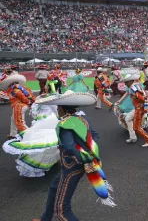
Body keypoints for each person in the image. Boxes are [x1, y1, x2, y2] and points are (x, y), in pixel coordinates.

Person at [32, 91, 115, 221]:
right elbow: (95, 136)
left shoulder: (65, 124)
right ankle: (45, 219)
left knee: (61, 210)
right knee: (54, 187)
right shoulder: (83, 119)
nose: (57, 111)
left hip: (71, 167)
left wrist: (82, 157)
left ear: (63, 109)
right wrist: (88, 153)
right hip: (80, 164)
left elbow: (69, 147)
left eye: (58, 108)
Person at [115, 74, 148, 147]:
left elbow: (143, 98)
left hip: (139, 109)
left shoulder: (134, 88)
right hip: (137, 108)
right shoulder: (135, 86)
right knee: (128, 118)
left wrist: (146, 109)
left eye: (126, 82)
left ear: (131, 81)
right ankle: (133, 137)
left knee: (136, 127)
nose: (125, 84)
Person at [0, 74, 35, 139]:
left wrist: (28, 102)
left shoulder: (14, 88)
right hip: (21, 105)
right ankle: (13, 134)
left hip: (19, 106)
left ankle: (30, 136)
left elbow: (20, 95)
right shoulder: (22, 87)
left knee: (20, 122)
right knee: (13, 119)